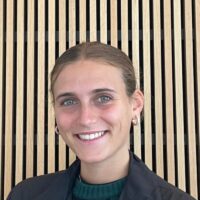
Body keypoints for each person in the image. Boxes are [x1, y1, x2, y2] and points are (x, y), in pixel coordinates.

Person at [7, 42, 196, 200]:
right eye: (69, 101)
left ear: (135, 105)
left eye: (104, 98)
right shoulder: (24, 195)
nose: (86, 119)